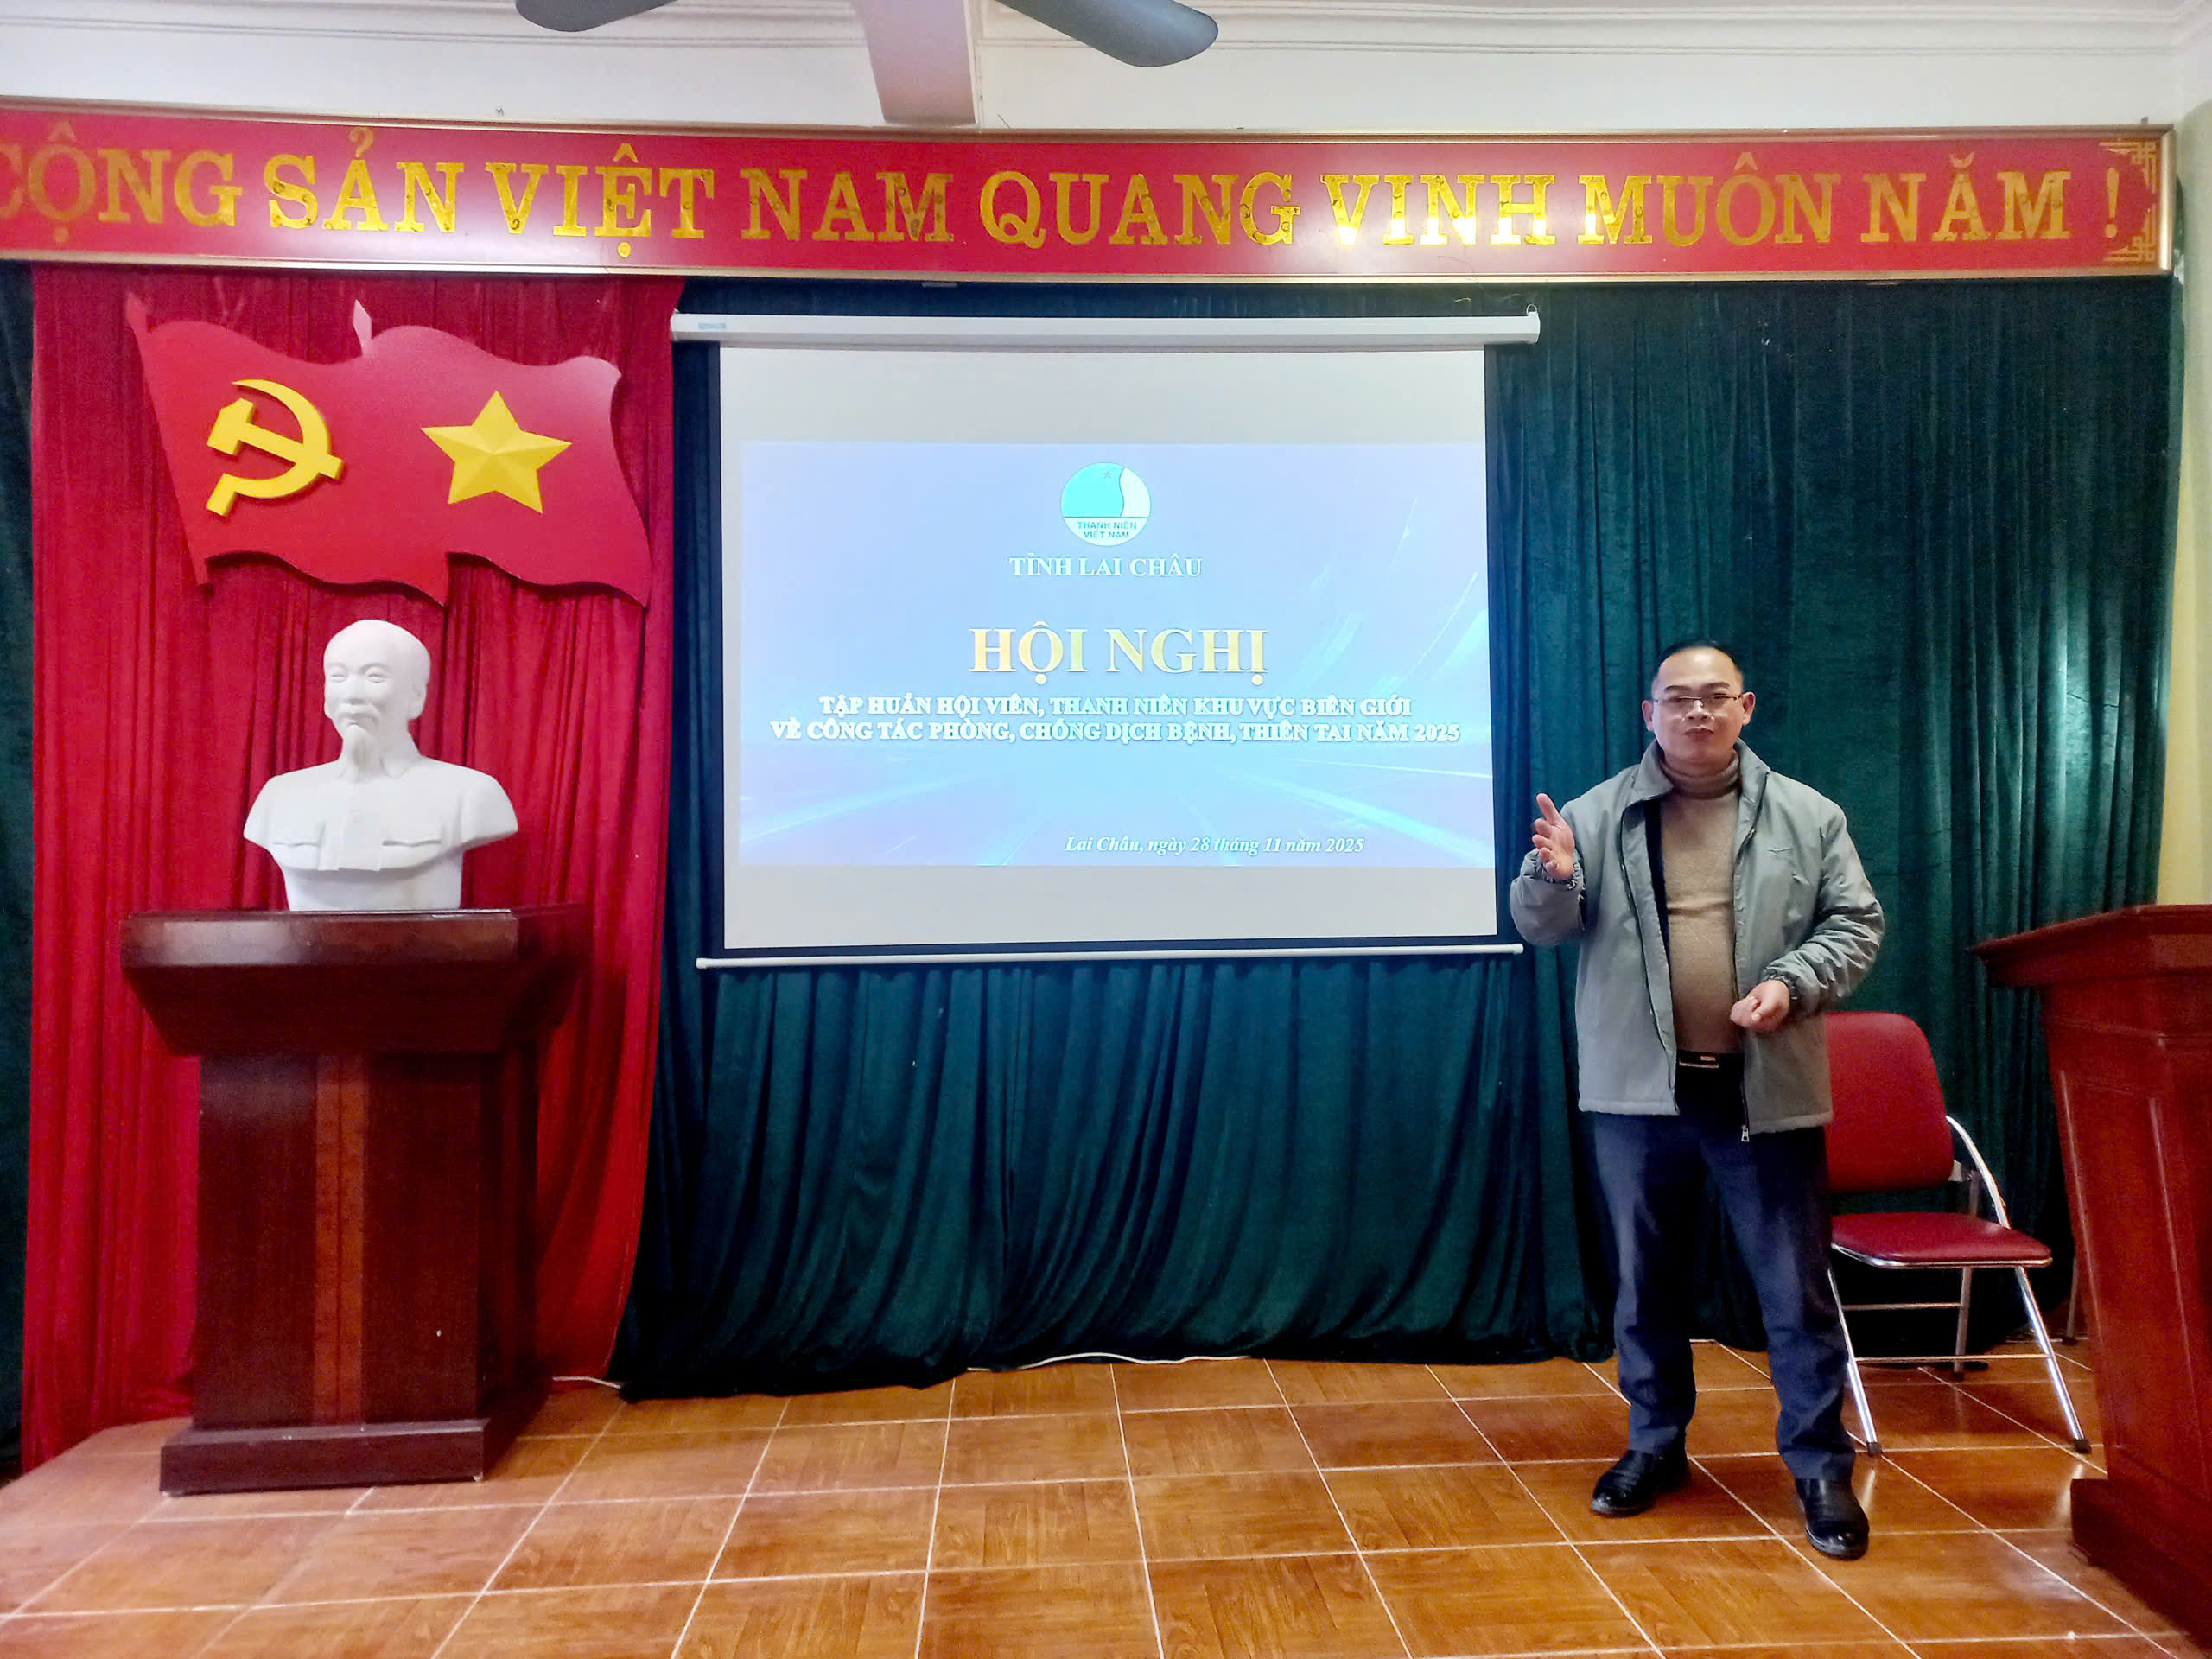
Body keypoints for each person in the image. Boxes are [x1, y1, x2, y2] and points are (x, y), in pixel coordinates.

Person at [1510, 638, 1885, 1560]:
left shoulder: (1809, 815)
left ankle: (1819, 1465)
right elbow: (1543, 927)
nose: (1697, 712)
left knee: (1793, 1289)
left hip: (1764, 1089)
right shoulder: (1595, 814)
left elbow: (1855, 922)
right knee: (1645, 1285)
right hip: (1639, 1096)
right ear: (1650, 714)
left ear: (1745, 708)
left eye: (1715, 696)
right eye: (1677, 698)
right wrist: (1551, 877)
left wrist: (1792, 983)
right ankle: (1654, 1445)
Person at [244, 619, 517, 910]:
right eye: (338, 677)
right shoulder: (279, 796)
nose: (351, 695)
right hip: (306, 941)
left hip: (423, 941)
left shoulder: (471, 793)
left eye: (374, 677)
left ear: (416, 697)